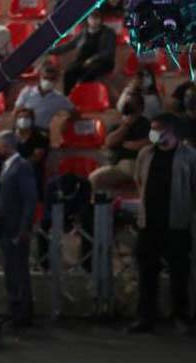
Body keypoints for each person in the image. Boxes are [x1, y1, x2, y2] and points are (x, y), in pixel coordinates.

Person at [129, 114, 196, 333]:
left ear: (172, 131)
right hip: (149, 223)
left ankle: (181, 315)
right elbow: (139, 180)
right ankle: (146, 317)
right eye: (153, 129)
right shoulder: (145, 154)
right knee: (147, 272)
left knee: (179, 272)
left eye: (158, 129)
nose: (154, 133)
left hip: (177, 222)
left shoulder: (189, 156)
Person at [0, 131, 37, 327]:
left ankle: (23, 313)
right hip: (6, 227)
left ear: (7, 145)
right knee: (11, 270)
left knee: (18, 271)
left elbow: (29, 200)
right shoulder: (6, 166)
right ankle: (15, 309)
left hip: (16, 228)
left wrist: (24, 228)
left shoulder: (22, 167)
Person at [90, 92, 151, 194]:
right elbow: (109, 142)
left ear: (140, 108)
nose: (129, 108)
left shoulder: (146, 124)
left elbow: (149, 143)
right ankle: (100, 207)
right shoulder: (118, 125)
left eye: (133, 105)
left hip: (138, 163)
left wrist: (134, 145)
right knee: (94, 178)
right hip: (118, 165)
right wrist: (126, 126)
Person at [52, 10, 117, 94]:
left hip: (102, 62)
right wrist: (52, 51)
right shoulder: (84, 32)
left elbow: (108, 52)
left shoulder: (109, 33)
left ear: (101, 20)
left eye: (96, 18)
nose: (94, 21)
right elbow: (70, 45)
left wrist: (92, 59)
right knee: (68, 72)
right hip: (83, 60)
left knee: (86, 76)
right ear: (88, 19)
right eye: (91, 18)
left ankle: (82, 96)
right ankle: (68, 97)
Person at [13, 63, 75, 132]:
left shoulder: (60, 98)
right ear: (40, 77)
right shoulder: (27, 91)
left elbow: (75, 113)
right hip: (24, 129)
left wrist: (66, 122)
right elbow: (16, 110)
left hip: (41, 132)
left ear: (56, 80)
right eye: (45, 78)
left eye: (52, 79)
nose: (48, 81)